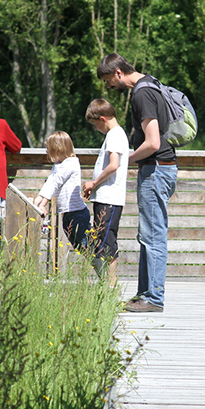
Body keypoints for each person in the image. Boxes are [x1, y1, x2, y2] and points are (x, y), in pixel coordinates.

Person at [97, 53, 177, 313]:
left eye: (109, 80)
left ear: (118, 72)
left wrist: (127, 160)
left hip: (155, 170)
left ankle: (153, 298)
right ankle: (145, 294)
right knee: (148, 235)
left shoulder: (142, 94)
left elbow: (152, 142)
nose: (109, 86)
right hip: (161, 169)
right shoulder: (151, 82)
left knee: (153, 236)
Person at [82, 98, 130, 284]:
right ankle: (107, 284)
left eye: (95, 125)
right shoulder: (115, 134)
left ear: (102, 119)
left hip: (110, 198)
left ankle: (111, 286)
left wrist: (93, 183)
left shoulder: (115, 135)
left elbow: (113, 165)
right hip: (105, 198)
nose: (96, 129)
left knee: (107, 242)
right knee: (101, 238)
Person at [33, 131, 90, 252]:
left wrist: (42, 204)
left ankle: (103, 269)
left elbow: (56, 182)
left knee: (87, 247)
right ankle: (98, 268)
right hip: (67, 214)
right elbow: (50, 181)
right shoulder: (58, 164)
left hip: (77, 214)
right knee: (81, 249)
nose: (47, 151)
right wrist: (38, 200)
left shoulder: (71, 163)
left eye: (49, 149)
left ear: (58, 148)